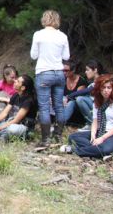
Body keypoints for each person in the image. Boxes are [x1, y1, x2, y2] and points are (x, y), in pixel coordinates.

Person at [30, 10, 70, 147]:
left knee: (44, 107)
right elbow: (66, 57)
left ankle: (45, 139)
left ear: (44, 20)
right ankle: (58, 135)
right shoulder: (63, 36)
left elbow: (33, 55)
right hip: (59, 73)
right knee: (59, 106)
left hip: (44, 72)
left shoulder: (38, 35)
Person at [64, 74, 113, 158]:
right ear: (99, 89)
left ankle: (75, 151)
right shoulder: (97, 101)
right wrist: (93, 135)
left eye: (109, 88)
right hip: (101, 131)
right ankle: (98, 152)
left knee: (105, 149)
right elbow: (95, 121)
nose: (106, 90)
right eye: (103, 88)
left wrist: (102, 138)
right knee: (73, 137)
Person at [0, 74, 37, 140]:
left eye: (18, 81)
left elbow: (16, 120)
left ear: (23, 88)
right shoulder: (16, 95)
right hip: (10, 122)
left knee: (12, 129)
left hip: (23, 127)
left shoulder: (28, 100)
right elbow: (4, 113)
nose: (15, 81)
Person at [68, 60, 106, 130]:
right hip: (94, 107)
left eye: (87, 70)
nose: (85, 72)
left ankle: (92, 123)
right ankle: (61, 121)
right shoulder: (94, 82)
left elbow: (87, 91)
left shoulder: (102, 80)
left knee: (80, 99)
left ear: (95, 70)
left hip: (101, 108)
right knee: (73, 102)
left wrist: (70, 95)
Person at [62, 59, 88, 124]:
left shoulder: (81, 81)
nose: (64, 72)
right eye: (62, 70)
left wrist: (66, 99)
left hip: (75, 107)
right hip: (64, 104)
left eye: (66, 71)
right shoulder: (63, 79)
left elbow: (77, 96)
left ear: (73, 70)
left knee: (72, 102)